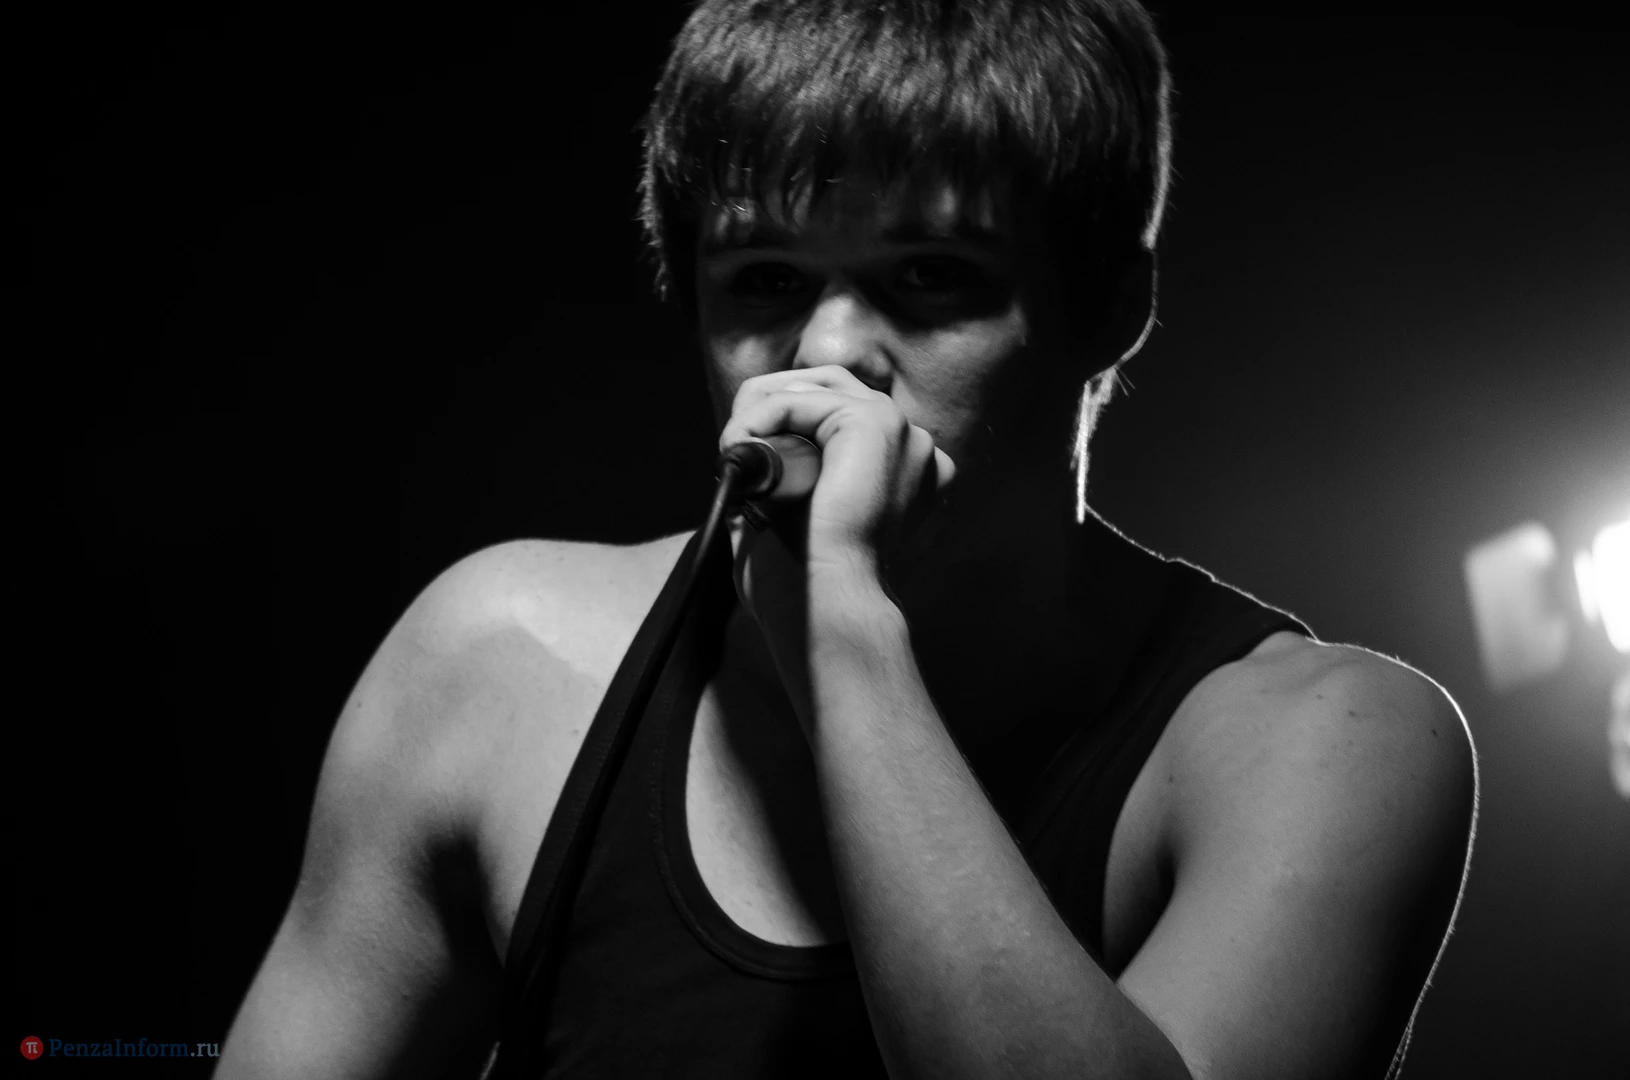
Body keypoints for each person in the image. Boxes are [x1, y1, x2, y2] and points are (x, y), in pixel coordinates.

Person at [218, 1, 1478, 1077]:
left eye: (928, 275)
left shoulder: (1328, 743)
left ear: (1110, 306)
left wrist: (847, 637)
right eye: (765, 279)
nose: (827, 353)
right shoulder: (497, 666)